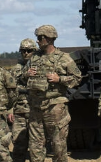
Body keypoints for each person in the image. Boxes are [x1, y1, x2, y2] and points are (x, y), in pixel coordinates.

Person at [21, 25, 82, 162]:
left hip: (55, 108)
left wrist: (59, 79)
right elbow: (22, 77)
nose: (37, 41)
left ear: (49, 38)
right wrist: (27, 74)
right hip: (35, 108)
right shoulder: (34, 58)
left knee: (58, 147)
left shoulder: (63, 58)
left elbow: (77, 78)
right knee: (35, 148)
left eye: (40, 38)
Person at [10, 38, 37, 162]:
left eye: (29, 50)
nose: (26, 53)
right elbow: (10, 87)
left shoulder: (40, 66)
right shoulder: (16, 68)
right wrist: (25, 75)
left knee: (36, 148)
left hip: (36, 112)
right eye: (23, 51)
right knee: (19, 145)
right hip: (20, 111)